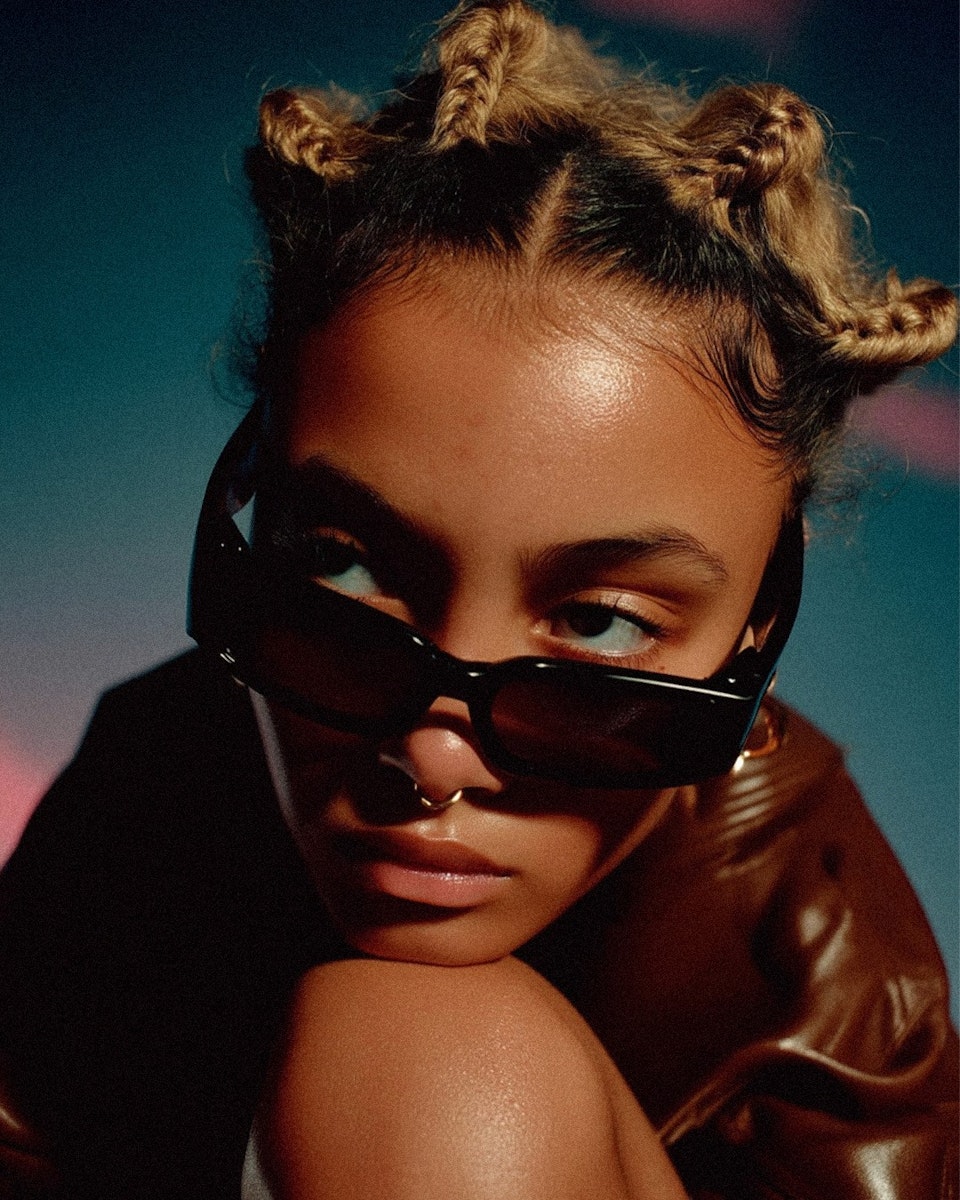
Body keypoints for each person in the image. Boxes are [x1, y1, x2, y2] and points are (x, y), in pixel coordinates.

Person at [1, 1, 956, 1197]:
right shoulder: (157, 778)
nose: (433, 762)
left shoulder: (809, 935)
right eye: (344, 565)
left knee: (432, 1061)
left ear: (757, 634)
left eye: (601, 622)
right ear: (250, 507)